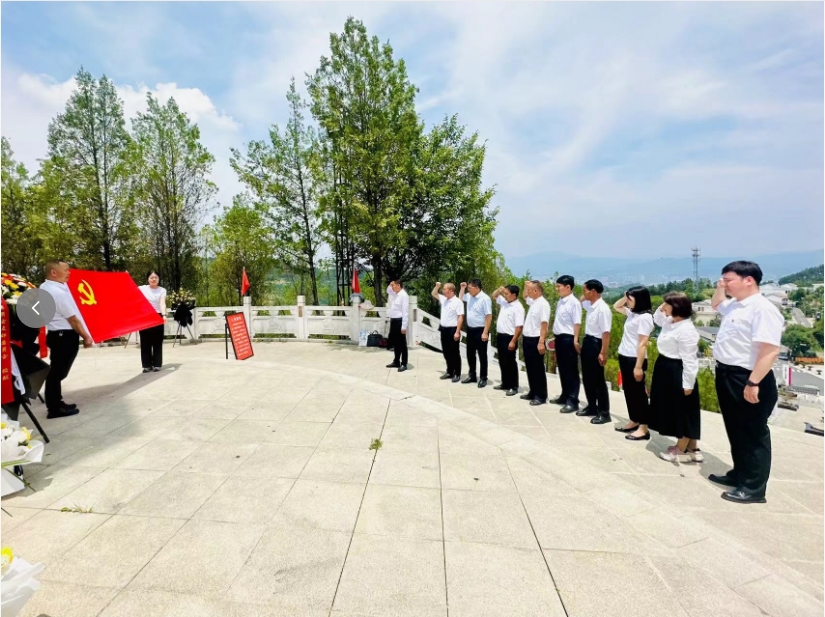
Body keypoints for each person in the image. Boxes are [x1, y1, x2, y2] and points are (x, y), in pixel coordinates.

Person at [710, 261, 783, 504]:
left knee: (752, 433)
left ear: (748, 280)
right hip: (727, 374)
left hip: (749, 377)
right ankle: (739, 473)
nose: (724, 284)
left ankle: (753, 488)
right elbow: (716, 304)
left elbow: (770, 351)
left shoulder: (762, 309)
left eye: (728, 279)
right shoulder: (735, 305)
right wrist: (720, 287)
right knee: (735, 428)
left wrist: (753, 383)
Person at [649, 292, 701, 462]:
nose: (663, 307)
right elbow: (657, 318)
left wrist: (688, 384)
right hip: (665, 367)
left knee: (683, 409)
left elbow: (690, 360)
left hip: (678, 370)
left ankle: (680, 449)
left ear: (676, 307)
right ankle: (692, 447)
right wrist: (664, 304)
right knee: (675, 408)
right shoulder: (670, 322)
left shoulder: (686, 329)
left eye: (667, 304)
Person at [39, 260, 93, 419]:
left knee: (56, 371)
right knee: (57, 372)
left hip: (56, 334)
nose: (69, 273)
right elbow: (73, 319)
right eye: (66, 270)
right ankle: (54, 408)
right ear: (53, 272)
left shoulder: (45, 287)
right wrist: (86, 336)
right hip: (64, 336)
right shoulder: (58, 292)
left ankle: (56, 402)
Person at [613, 286, 654, 440]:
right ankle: (634, 419)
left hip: (635, 359)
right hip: (624, 356)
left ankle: (644, 428)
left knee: (638, 394)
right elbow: (616, 306)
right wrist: (626, 297)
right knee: (629, 392)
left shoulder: (645, 318)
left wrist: (638, 366)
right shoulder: (633, 313)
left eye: (631, 298)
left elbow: (643, 344)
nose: (628, 301)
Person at [578, 280, 612, 424]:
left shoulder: (602, 309)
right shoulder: (591, 305)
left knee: (598, 380)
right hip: (588, 341)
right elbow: (581, 301)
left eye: (585, 290)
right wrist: (586, 295)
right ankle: (592, 406)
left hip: (597, 343)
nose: (583, 293)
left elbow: (606, 333)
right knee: (587, 377)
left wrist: (603, 352)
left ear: (593, 291)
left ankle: (604, 413)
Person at [552, 275, 583, 413]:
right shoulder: (561, 301)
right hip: (559, 338)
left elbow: (577, 323)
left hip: (568, 339)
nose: (557, 289)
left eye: (559, 286)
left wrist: (575, 340)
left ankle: (572, 400)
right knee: (563, 369)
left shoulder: (574, 303)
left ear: (568, 287)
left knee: (571, 371)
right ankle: (564, 395)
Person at [520, 280, 550, 406]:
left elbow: (544, 324)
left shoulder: (543, 304)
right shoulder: (533, 302)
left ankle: (541, 396)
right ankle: (533, 391)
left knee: (537, 368)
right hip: (527, 339)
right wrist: (525, 286)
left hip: (536, 339)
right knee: (530, 367)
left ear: (536, 291)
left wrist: (541, 342)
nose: (528, 292)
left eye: (530, 290)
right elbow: (524, 296)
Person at [458, 279, 493, 387]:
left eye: (470, 288)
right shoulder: (469, 296)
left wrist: (485, 332)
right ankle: (472, 375)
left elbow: (488, 316)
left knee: (482, 355)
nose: (468, 290)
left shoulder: (485, 299)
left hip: (481, 330)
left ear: (477, 288)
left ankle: (483, 378)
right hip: (471, 329)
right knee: (470, 354)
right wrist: (462, 288)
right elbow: (460, 298)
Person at [491, 284, 524, 396]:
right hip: (501, 336)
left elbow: (519, 327)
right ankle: (505, 383)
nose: (504, 295)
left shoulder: (518, 307)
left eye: (506, 294)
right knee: (502, 361)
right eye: (504, 293)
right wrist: (499, 290)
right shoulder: (505, 303)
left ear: (514, 295)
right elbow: (494, 296)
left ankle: (513, 386)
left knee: (510, 362)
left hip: (510, 338)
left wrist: (513, 341)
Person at [431, 282, 464, 382]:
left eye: (444, 289)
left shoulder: (458, 302)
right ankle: (449, 371)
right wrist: (437, 286)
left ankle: (457, 373)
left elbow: (460, 318)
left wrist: (457, 332)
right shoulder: (444, 299)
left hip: (453, 329)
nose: (443, 290)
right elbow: (434, 293)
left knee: (454, 353)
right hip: (443, 329)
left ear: (450, 291)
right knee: (446, 352)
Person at [138, 271, 167, 373]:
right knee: (145, 341)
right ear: (148, 279)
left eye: (156, 277)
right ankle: (146, 365)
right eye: (151, 277)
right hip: (144, 317)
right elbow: (129, 289)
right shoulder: (142, 288)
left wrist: (164, 315)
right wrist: (126, 276)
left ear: (158, 279)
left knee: (157, 341)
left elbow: (162, 303)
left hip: (157, 316)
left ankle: (157, 364)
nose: (153, 279)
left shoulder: (162, 290)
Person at [386, 279, 409, 372]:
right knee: (395, 342)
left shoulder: (404, 295)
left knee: (402, 343)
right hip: (394, 320)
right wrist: (390, 284)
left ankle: (404, 363)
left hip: (400, 321)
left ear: (399, 285)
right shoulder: (395, 294)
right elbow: (388, 291)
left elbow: (405, 312)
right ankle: (396, 361)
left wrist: (404, 326)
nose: (392, 288)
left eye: (394, 286)